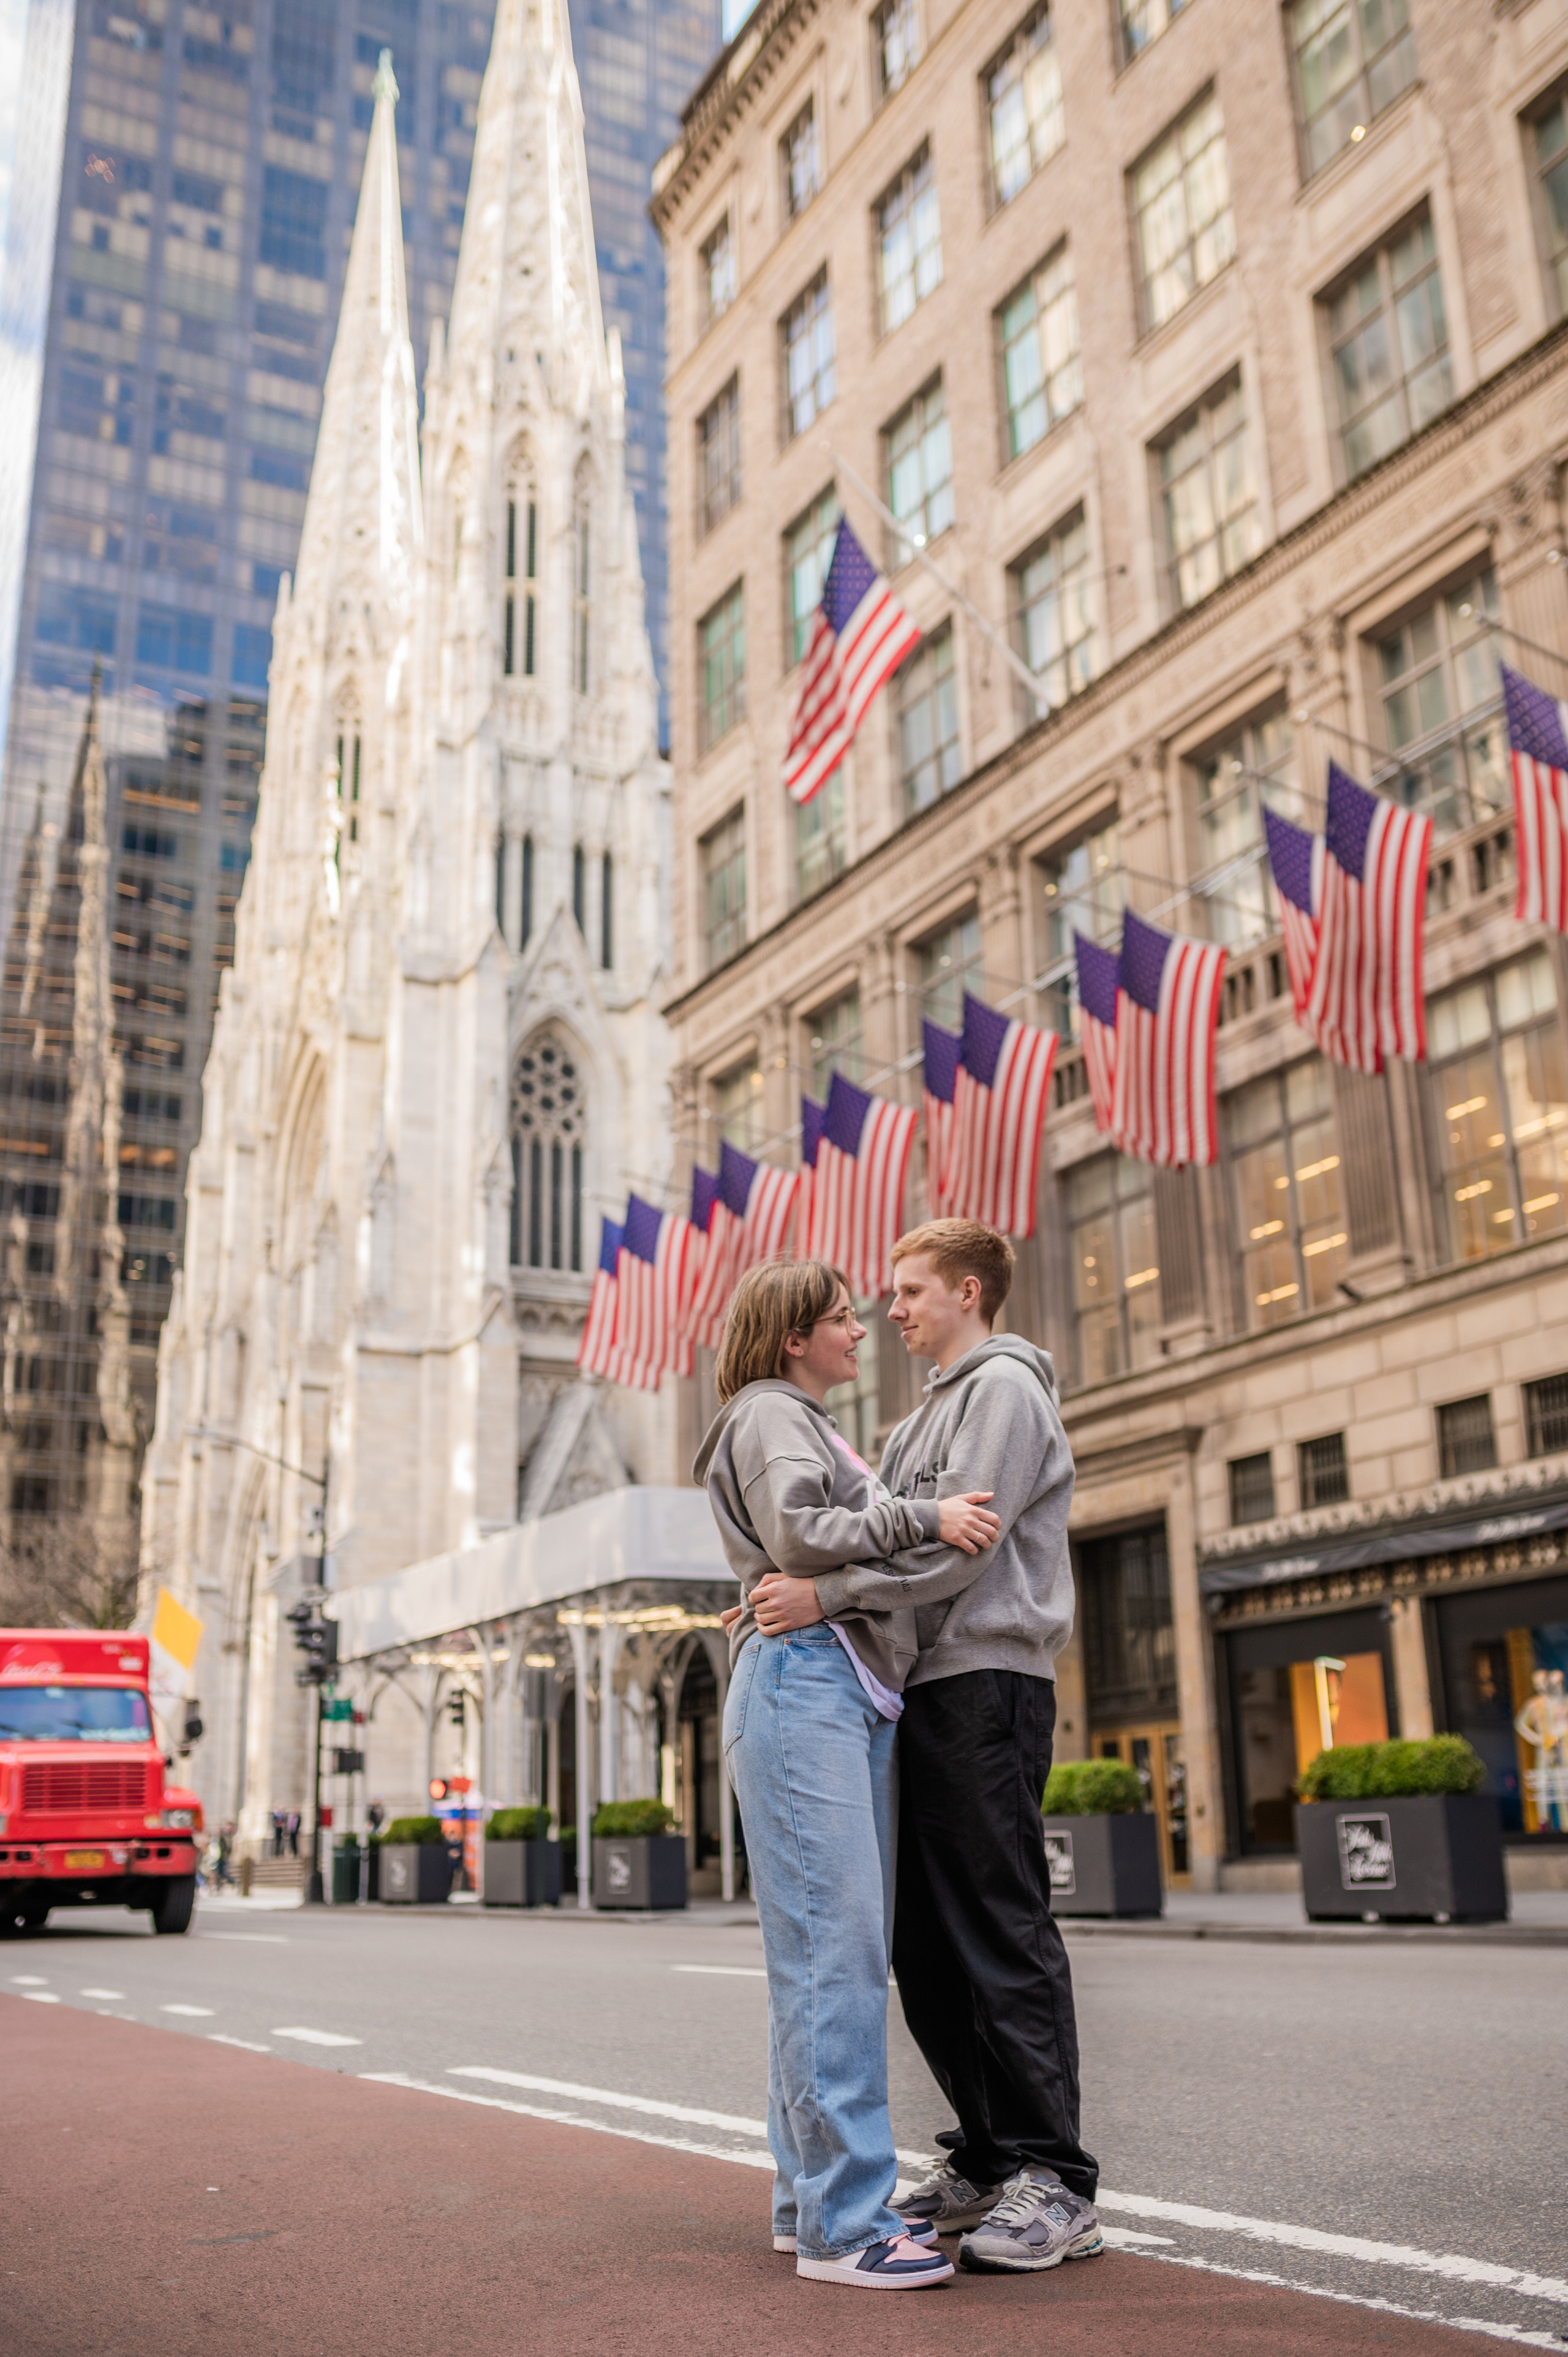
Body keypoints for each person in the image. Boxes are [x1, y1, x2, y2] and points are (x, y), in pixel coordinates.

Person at [748, 1218, 1101, 2277]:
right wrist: (796, 1600)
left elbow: (958, 1555)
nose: (890, 1311)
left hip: (989, 1681)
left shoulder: (1003, 1390)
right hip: (914, 1693)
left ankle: (1058, 2178)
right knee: (923, 1947)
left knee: (999, 1926)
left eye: (909, 1292)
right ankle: (989, 2155)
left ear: (967, 1291)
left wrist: (827, 1594)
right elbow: (891, 1529)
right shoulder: (917, 1422)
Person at [695, 1258, 1000, 2292]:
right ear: (794, 1337)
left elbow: (808, 1557)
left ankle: (809, 2204)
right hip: (804, 1692)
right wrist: (928, 1514)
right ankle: (848, 2227)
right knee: (837, 1958)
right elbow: (795, 1535)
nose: (861, 1332)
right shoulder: (773, 1413)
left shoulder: (793, 1417)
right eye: (839, 1320)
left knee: (828, 1963)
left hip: (830, 1690)